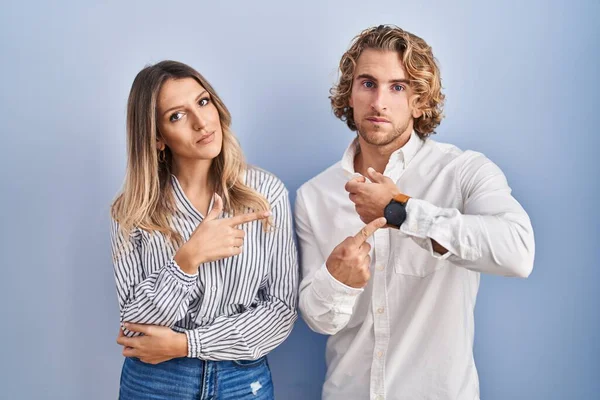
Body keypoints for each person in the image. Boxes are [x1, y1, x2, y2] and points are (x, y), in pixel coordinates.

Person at [295, 25, 535, 400]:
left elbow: (518, 253)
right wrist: (338, 282)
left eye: (398, 86)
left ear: (420, 101)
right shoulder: (315, 194)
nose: (379, 103)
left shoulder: (464, 173)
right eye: (367, 83)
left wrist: (401, 211)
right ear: (349, 94)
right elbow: (319, 319)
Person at [110, 60, 298, 400]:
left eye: (203, 101)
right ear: (156, 139)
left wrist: (187, 343)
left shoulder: (265, 194)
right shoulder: (132, 211)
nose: (201, 122)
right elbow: (134, 324)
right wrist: (186, 260)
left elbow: (280, 312)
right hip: (156, 381)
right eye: (176, 116)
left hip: (241, 378)